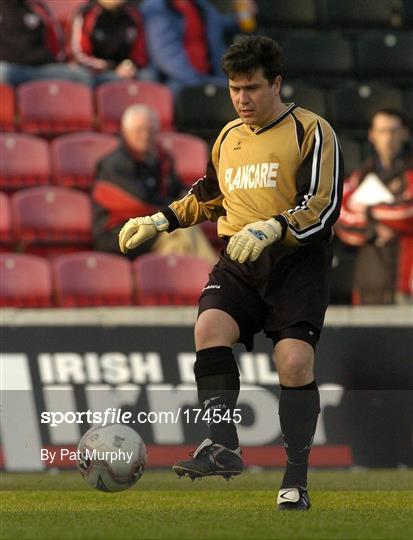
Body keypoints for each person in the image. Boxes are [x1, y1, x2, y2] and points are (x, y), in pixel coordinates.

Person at [118, 35, 343, 510]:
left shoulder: (312, 131)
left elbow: (322, 207)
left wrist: (272, 227)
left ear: (276, 84)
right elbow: (210, 197)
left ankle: (295, 479)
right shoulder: (227, 137)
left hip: (296, 262)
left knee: (295, 364)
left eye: (252, 88)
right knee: (209, 327)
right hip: (240, 259)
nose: (242, 99)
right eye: (234, 89)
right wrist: (160, 220)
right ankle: (223, 446)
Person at [92, 103, 217, 264]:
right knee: (180, 226)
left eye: (150, 130)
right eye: (139, 130)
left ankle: (205, 281)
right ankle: (214, 275)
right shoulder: (115, 164)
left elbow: (177, 190)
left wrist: (193, 199)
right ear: (125, 132)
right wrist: (178, 208)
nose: (145, 135)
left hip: (150, 228)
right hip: (118, 233)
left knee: (176, 243)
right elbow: (140, 202)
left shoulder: (161, 159)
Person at [336, 108, 413, 304]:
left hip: (406, 278)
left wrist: (369, 210)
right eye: (382, 131)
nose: (388, 137)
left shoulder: (410, 171)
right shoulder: (360, 175)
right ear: (372, 135)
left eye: (393, 131)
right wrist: (374, 229)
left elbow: (408, 213)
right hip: (368, 279)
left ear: (405, 134)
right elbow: (341, 217)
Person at [139, 0, 256, 93]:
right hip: (174, 81)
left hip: (211, 76)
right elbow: (166, 56)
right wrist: (200, 82)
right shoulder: (157, 7)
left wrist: (240, 18)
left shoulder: (200, 5)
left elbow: (219, 26)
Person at [0, 0, 90, 86]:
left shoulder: (38, 8)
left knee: (79, 75)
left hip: (38, 68)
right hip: (7, 67)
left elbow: (55, 44)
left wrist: (58, 62)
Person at [71, 0, 157, 87]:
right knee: (94, 78)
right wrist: (112, 67)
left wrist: (131, 65)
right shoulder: (86, 14)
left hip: (125, 69)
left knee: (148, 77)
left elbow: (140, 53)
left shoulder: (133, 14)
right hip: (97, 71)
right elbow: (79, 56)